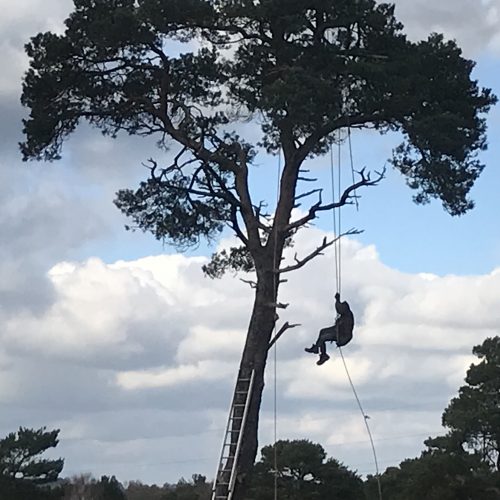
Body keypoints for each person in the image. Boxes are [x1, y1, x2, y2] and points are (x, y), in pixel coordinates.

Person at [304, 293, 354, 365]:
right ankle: (322, 353)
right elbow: (340, 310)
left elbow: (339, 310)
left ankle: (318, 350)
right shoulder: (345, 315)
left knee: (323, 338)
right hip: (338, 332)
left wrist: (337, 300)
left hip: (342, 336)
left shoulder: (348, 316)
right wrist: (338, 301)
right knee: (322, 331)